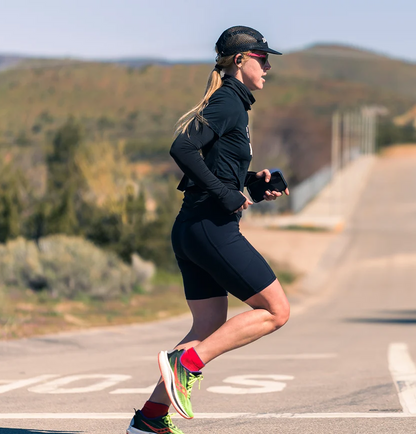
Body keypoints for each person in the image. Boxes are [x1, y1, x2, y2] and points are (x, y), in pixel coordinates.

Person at [128, 26, 290, 434]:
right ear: (240, 60)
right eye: (262, 58)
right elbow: (182, 148)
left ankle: (150, 418)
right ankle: (186, 365)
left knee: (208, 325)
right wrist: (224, 194)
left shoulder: (234, 105)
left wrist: (251, 184)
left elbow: (215, 169)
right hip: (210, 228)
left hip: (193, 227)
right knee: (276, 311)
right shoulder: (228, 102)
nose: (268, 67)